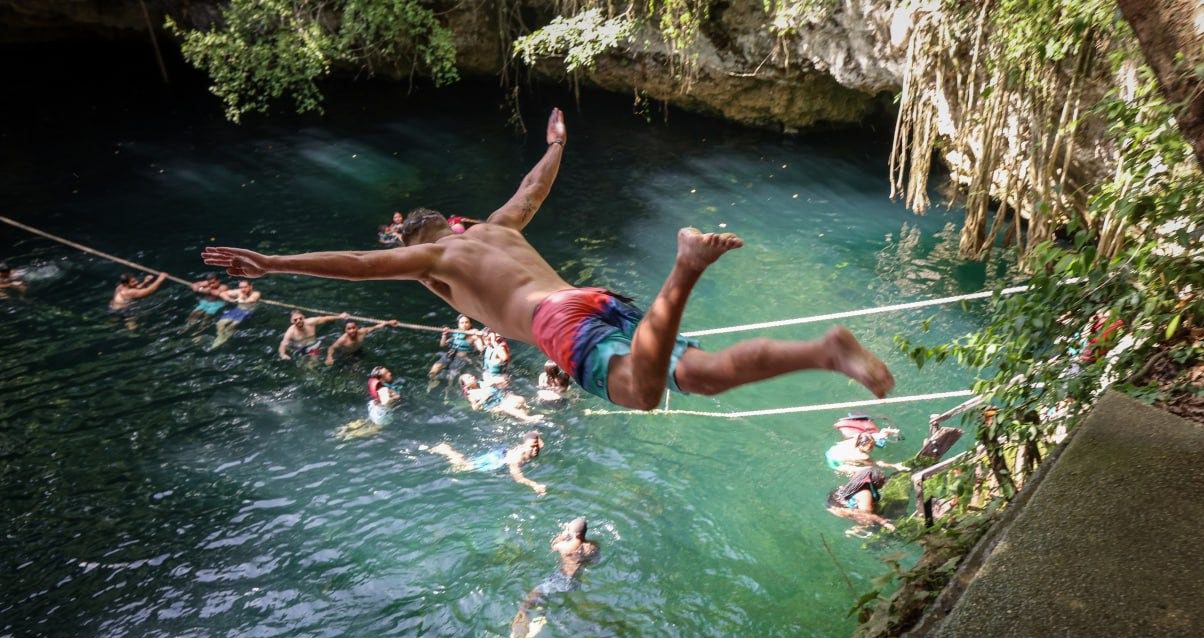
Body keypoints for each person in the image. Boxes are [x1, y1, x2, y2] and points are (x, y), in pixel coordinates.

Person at [203, 107, 894, 411]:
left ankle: (683, 269)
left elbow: (355, 264)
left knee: (641, 393)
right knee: (701, 377)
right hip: (597, 303)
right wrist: (557, 143)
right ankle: (824, 351)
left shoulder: (433, 260)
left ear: (420, 241)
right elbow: (533, 186)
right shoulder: (495, 226)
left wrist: (272, 263)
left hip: (560, 325)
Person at [504, 517, 601, 638]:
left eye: (568, 529)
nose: (566, 530)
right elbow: (594, 561)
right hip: (575, 582)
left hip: (560, 579)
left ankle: (522, 626)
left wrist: (561, 536)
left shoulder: (565, 547)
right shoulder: (592, 546)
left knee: (532, 595)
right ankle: (542, 614)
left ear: (575, 534)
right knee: (556, 598)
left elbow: (553, 546)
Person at [426, 431, 546, 495]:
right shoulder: (517, 459)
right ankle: (447, 450)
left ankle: (449, 451)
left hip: (502, 452)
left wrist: (537, 437)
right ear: (524, 446)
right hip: (498, 459)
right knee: (464, 467)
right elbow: (518, 477)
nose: (535, 449)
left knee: (465, 465)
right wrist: (534, 485)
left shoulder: (533, 446)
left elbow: (535, 437)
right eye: (532, 447)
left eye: (536, 446)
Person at [339, 365, 400, 439]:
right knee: (375, 429)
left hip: (374, 407)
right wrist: (395, 397)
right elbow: (385, 401)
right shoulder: (384, 389)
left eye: (388, 371)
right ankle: (350, 435)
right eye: (386, 373)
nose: (389, 373)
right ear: (381, 379)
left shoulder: (380, 387)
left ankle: (345, 428)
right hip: (382, 413)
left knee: (368, 421)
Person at [459, 373, 543, 423]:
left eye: (471, 376)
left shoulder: (483, 383)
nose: (472, 377)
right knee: (506, 407)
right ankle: (528, 419)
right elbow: (475, 408)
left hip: (502, 399)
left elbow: (498, 381)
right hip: (493, 407)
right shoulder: (471, 395)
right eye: (468, 378)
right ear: (465, 385)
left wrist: (499, 382)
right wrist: (482, 400)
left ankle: (526, 414)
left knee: (520, 399)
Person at [278, 309, 348, 361]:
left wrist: (339, 317)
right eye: (295, 320)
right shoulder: (290, 332)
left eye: (300, 318)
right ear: (292, 321)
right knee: (300, 361)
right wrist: (282, 354)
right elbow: (283, 344)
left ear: (304, 317)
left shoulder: (311, 322)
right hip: (297, 347)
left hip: (313, 345)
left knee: (314, 363)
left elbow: (325, 319)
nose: (298, 321)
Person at [211, 279, 263, 349]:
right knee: (220, 323)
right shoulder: (239, 292)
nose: (243, 289)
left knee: (232, 325)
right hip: (237, 310)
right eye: (241, 287)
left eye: (245, 287)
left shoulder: (256, 293)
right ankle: (220, 337)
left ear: (250, 287)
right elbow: (222, 294)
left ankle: (224, 339)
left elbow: (251, 300)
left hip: (247, 311)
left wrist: (240, 300)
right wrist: (231, 300)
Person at [325, 317, 399, 366]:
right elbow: (331, 348)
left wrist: (388, 322)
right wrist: (329, 357)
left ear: (357, 327)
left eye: (354, 328)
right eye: (349, 329)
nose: (352, 331)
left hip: (359, 351)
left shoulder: (363, 332)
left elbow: (375, 327)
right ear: (345, 330)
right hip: (346, 354)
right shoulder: (342, 340)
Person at [429, 314, 480, 379]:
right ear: (458, 324)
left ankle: (448, 387)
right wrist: (444, 335)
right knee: (434, 369)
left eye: (466, 322)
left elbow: (480, 348)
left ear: (470, 324)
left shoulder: (474, 335)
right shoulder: (456, 333)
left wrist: (479, 337)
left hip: (461, 358)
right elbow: (442, 345)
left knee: (451, 376)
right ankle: (431, 382)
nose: (464, 324)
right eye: (462, 323)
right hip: (450, 354)